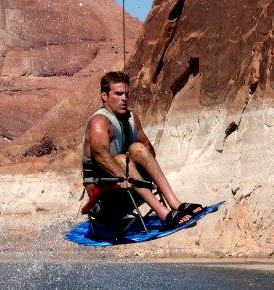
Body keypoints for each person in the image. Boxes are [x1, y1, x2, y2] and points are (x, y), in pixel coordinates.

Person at [82, 71, 202, 228]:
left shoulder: (132, 118)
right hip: (104, 201)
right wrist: (121, 176)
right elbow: (100, 155)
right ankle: (164, 214)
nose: (124, 98)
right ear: (104, 96)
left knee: (137, 148)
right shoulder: (99, 122)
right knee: (120, 160)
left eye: (126, 94)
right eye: (118, 94)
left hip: (133, 190)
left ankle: (175, 204)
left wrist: (153, 175)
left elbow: (147, 149)